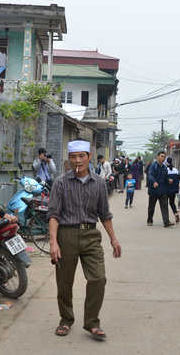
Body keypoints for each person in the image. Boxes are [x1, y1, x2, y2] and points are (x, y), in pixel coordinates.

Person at [47, 138, 122, 340]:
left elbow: (104, 214)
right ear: (69, 159)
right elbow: (53, 214)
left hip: (91, 235)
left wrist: (113, 239)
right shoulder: (60, 183)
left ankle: (92, 323)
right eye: (73, 157)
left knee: (98, 278)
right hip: (66, 235)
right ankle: (65, 319)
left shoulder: (98, 183)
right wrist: (53, 242)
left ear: (90, 158)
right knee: (64, 282)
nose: (77, 161)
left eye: (82, 156)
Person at [147, 151, 174, 227]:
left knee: (165, 206)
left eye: (164, 157)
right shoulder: (153, 166)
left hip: (163, 190)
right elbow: (150, 175)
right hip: (154, 190)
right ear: (157, 157)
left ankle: (166, 222)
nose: (163, 158)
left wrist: (168, 180)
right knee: (151, 206)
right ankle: (149, 220)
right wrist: (154, 182)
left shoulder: (164, 168)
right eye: (161, 156)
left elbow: (166, 177)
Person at [165, 157, 180, 223]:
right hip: (173, 190)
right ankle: (175, 213)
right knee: (172, 203)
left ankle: (166, 218)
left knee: (165, 204)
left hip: (166, 190)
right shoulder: (176, 170)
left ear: (166, 162)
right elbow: (177, 181)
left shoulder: (165, 170)